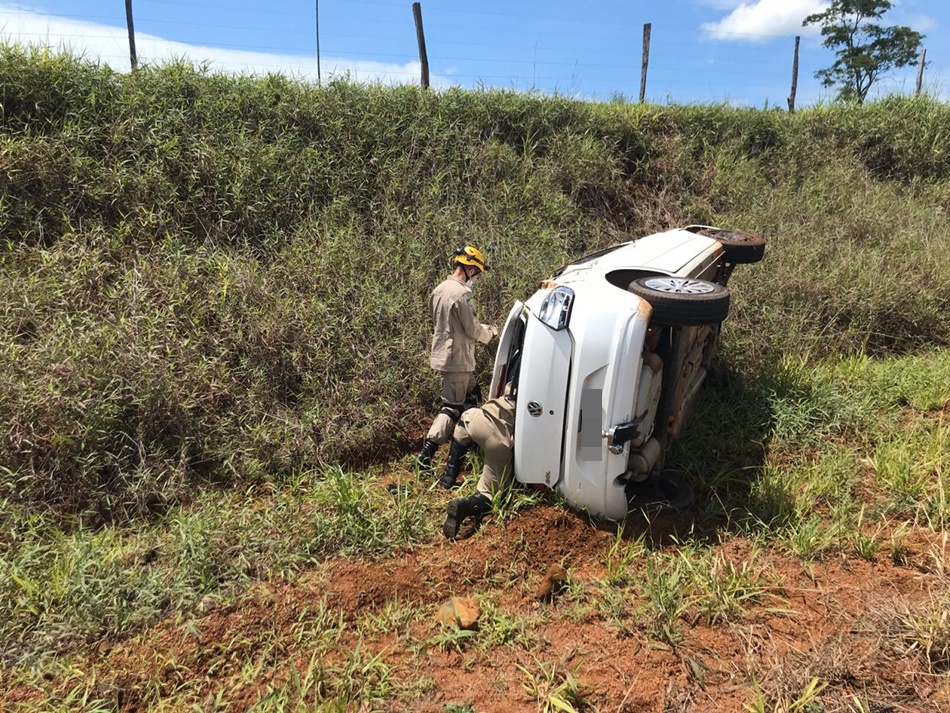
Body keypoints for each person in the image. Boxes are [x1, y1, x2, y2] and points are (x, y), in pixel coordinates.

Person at [416, 245, 497, 476]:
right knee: (451, 408)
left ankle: (467, 447)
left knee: (472, 396)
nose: (478, 279)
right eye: (478, 273)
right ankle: (426, 455)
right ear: (470, 269)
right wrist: (491, 333)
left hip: (446, 356)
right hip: (458, 360)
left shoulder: (439, 289)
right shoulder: (462, 294)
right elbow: (472, 329)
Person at [440, 378, 518, 540]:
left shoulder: (516, 379)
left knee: (465, 419)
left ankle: (449, 477)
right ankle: (465, 506)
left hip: (483, 416)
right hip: (499, 437)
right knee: (489, 494)